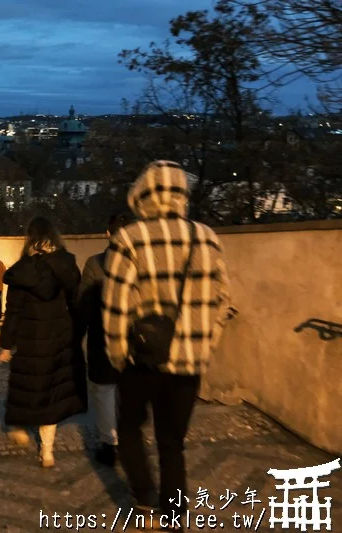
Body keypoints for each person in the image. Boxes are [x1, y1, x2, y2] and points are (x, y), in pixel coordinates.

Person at [102, 160, 232, 525]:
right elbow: (224, 300)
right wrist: (205, 342)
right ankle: (175, 514)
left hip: (141, 360)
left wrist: (117, 354)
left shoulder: (129, 238)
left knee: (128, 427)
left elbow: (115, 305)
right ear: (181, 194)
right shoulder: (207, 237)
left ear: (142, 195)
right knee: (172, 443)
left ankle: (144, 501)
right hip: (189, 365)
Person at [0, 216, 87, 468]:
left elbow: (13, 310)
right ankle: (47, 450)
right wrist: (77, 335)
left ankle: (20, 427)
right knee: (53, 393)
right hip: (59, 337)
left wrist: (6, 343)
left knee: (27, 388)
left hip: (30, 339)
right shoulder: (66, 266)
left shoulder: (22, 271)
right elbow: (76, 302)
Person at [74, 212, 133, 468]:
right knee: (131, 391)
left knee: (104, 392)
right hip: (136, 339)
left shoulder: (95, 263)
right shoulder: (145, 263)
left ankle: (109, 443)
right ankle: (132, 439)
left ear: (107, 234)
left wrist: (76, 337)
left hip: (103, 337)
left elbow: (84, 305)